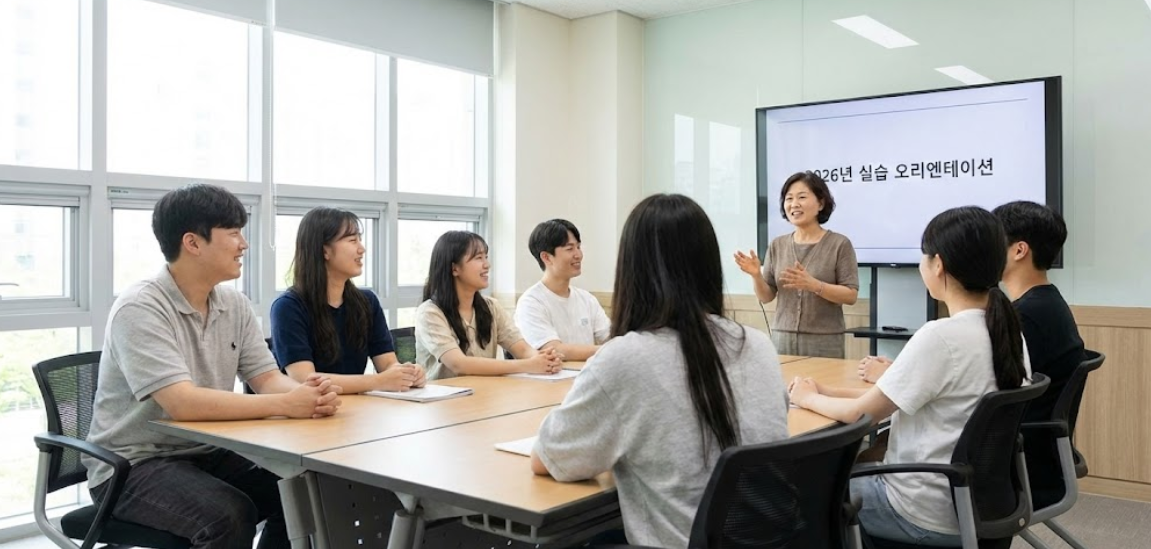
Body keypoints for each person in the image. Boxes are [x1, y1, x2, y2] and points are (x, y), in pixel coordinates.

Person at [84, 184, 342, 549]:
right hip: (132, 466)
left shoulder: (234, 304)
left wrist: (307, 395)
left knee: (303, 489)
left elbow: (267, 378)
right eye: (234, 233)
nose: (244, 244)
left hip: (204, 452)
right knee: (227, 516)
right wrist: (286, 404)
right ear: (193, 243)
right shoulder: (140, 307)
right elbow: (182, 403)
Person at [531, 194, 789, 548]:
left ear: (632, 269)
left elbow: (548, 458)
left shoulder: (625, 358)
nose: (577, 253)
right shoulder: (756, 344)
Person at [789, 206, 1031, 546]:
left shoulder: (941, 336)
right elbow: (891, 397)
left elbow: (861, 416)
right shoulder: (1007, 332)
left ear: (938, 264)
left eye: (923, 256)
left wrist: (806, 398)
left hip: (919, 508)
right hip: (974, 502)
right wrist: (825, 390)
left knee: (803, 492)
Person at [270, 207, 426, 393]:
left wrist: (406, 373)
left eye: (359, 240)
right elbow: (304, 379)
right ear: (325, 251)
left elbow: (388, 364)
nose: (362, 249)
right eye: (352, 240)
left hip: (357, 410)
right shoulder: (288, 307)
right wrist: (378, 382)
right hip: (310, 414)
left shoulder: (367, 302)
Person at [995, 200, 1085, 508]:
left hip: (1016, 466)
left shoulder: (1027, 316)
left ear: (1019, 250)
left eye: (992, 241)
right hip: (1036, 455)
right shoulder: (1047, 303)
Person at [734, 171, 859, 358]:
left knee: (821, 388)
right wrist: (756, 276)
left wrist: (815, 285)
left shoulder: (839, 244)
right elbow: (766, 296)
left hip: (825, 341)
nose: (794, 204)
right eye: (788, 198)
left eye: (802, 197)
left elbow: (850, 295)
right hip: (782, 339)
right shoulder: (777, 244)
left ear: (821, 203)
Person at [415, 231, 562, 380]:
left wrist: (544, 360)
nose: (487, 265)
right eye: (478, 258)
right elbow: (459, 364)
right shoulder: (430, 313)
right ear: (455, 268)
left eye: (486, 257)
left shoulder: (491, 306)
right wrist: (528, 365)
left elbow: (522, 349)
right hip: (445, 400)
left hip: (485, 393)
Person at [514, 219, 611, 361]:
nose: (578, 255)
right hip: (549, 381)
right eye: (570, 249)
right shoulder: (531, 302)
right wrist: (607, 350)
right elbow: (554, 349)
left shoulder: (586, 298)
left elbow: (610, 337)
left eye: (578, 247)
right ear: (546, 257)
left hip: (586, 377)